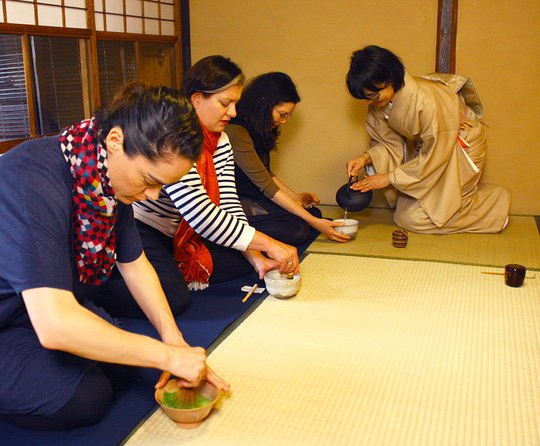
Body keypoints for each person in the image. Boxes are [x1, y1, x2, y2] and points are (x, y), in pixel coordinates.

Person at [0, 84, 230, 430]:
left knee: (123, 363)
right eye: (149, 180)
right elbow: (56, 327)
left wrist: (173, 340)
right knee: (88, 397)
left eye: (162, 186)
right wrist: (169, 357)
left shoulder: (101, 176)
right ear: (116, 140)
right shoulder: (31, 183)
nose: (152, 195)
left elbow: (134, 264)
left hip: (17, 308)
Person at [104, 55, 299, 313]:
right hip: (146, 228)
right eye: (225, 103)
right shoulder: (176, 138)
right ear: (197, 99)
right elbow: (200, 214)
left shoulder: (221, 140)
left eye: (235, 104)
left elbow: (228, 202)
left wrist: (256, 257)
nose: (233, 112)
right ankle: (89, 293)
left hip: (182, 234)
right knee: (174, 297)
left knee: (254, 256)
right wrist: (269, 245)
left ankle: (170, 266)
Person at [345, 45, 510, 233]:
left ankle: (493, 207)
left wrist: (390, 178)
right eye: (366, 97)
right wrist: (365, 158)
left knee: (415, 220)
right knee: (403, 215)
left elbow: (437, 153)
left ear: (389, 78)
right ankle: (463, 198)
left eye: (374, 95)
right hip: (430, 153)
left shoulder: (426, 100)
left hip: (459, 148)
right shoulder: (379, 102)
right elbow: (388, 142)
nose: (370, 102)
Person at [227, 72, 349, 244]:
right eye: (282, 114)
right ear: (264, 103)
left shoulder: (258, 129)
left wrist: (297, 199)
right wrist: (312, 221)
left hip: (257, 196)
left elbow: (266, 174)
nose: (283, 121)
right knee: (299, 228)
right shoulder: (236, 131)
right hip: (240, 204)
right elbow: (266, 186)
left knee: (313, 214)